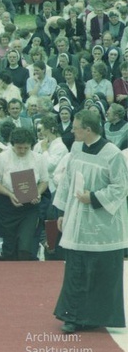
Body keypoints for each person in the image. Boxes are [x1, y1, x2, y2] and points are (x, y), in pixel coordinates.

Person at [53, 110, 128, 333]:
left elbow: (121, 187)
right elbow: (67, 181)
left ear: (88, 129)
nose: (72, 131)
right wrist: (62, 211)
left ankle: (96, 316)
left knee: (101, 271)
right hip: (78, 220)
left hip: (103, 224)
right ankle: (73, 317)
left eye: (75, 128)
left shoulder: (112, 154)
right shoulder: (76, 148)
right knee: (76, 268)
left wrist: (93, 197)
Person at [0, 128, 49, 261]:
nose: (22, 151)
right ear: (12, 145)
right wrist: (10, 194)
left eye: (26, 148)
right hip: (8, 205)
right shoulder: (2, 158)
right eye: (19, 148)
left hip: (30, 206)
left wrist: (38, 193)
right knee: (9, 248)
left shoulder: (38, 158)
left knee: (26, 247)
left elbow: (44, 181)